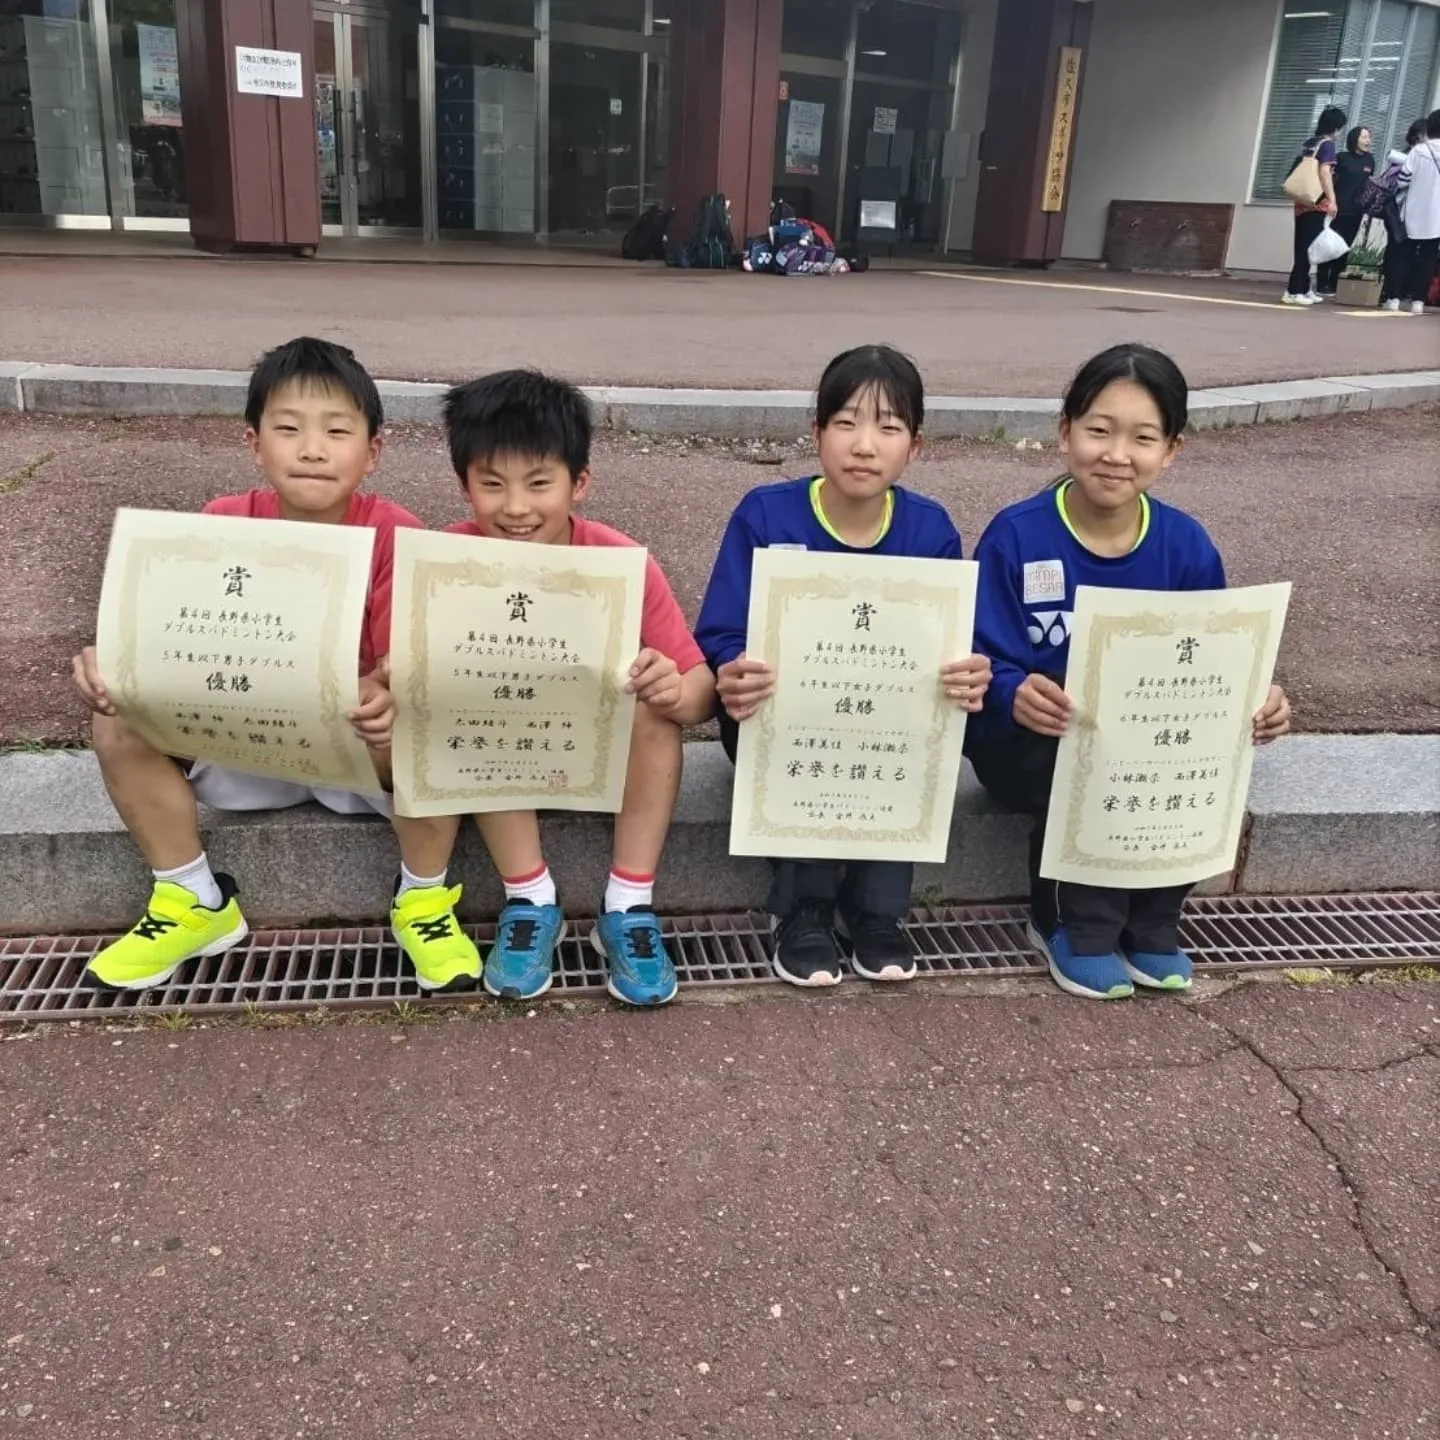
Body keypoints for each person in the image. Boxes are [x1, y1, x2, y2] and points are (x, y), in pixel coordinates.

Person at [71, 338, 421, 991]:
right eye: (288, 429)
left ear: (372, 451)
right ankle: (192, 897)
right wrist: (110, 661)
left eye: (336, 431)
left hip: (357, 759)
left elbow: (398, 668)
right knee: (116, 708)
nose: (312, 449)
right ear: (255, 444)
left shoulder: (397, 533)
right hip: (246, 745)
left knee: (425, 717)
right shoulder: (222, 522)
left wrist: (383, 691)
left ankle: (424, 898)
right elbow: (171, 642)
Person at [965, 344, 1292, 1002]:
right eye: (1099, 430)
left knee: (1195, 744)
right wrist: (1010, 691)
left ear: (1171, 450)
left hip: (1141, 742)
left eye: (1142, 438)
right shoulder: (1018, 535)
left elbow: (1215, 656)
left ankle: (1154, 920)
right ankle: (1071, 923)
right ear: (1066, 432)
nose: (1117, 454)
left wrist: (1259, 696)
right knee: (1077, 750)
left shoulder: (1185, 545)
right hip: (1029, 748)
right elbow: (975, 654)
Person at [695, 345, 992, 988]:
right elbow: (720, 629)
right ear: (817, 432)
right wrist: (731, 666)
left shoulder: (930, 531)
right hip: (777, 715)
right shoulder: (766, 514)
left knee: (918, 725)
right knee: (790, 721)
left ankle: (878, 911)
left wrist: (968, 674)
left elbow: (950, 646)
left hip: (885, 721)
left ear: (915, 445)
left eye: (888, 427)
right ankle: (801, 909)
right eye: (846, 422)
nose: (864, 445)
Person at [421, 369, 715, 1007]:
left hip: (596, 755)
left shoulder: (620, 563)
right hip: (503, 755)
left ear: (579, 483)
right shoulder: (445, 562)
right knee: (473, 693)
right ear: (464, 484)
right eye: (492, 484)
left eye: (538, 483)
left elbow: (700, 691)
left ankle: (628, 905)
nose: (515, 507)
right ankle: (530, 898)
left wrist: (673, 689)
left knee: (654, 711)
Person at [1283, 105, 1345, 306]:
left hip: (1302, 200)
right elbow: (1325, 173)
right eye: (1339, 128)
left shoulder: (1310, 143)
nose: (1339, 133)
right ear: (1335, 127)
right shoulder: (1327, 145)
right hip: (1317, 202)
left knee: (1302, 245)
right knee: (1308, 248)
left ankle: (1303, 287)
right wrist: (1332, 200)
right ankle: (1294, 291)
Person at [1316, 126, 1374, 297]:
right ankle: (1321, 283)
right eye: (1364, 137)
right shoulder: (1342, 158)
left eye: (1369, 137)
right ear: (1354, 139)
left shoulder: (1370, 160)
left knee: (1344, 248)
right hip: (1337, 209)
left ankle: (1335, 284)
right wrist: (1329, 202)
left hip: (1356, 211)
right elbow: (1329, 178)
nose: (1368, 141)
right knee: (1329, 245)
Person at [1396, 109, 1440, 315]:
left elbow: (1402, 180)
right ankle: (1418, 302)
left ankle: (1394, 298)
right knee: (1428, 259)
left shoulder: (1418, 151)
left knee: (1403, 255)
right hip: (1436, 216)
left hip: (1413, 212)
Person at [1379, 120, 1426, 311]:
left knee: (1402, 253)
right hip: (1399, 213)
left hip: (1405, 212)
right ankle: (1392, 293)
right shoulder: (1408, 156)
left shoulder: (1411, 156)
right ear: (1418, 136)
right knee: (1397, 252)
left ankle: (1396, 293)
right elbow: (1399, 182)